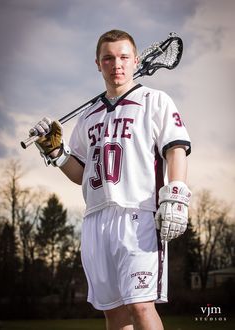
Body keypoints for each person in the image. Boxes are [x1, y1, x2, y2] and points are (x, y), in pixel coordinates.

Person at [31, 29, 191, 330]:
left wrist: (177, 191)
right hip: (96, 219)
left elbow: (176, 148)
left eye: (123, 57)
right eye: (108, 58)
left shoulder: (154, 100)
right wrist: (55, 151)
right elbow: (81, 174)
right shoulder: (88, 117)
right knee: (114, 313)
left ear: (136, 61)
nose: (116, 64)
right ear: (98, 63)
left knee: (141, 306)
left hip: (138, 215)